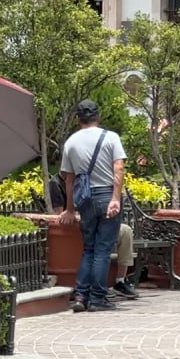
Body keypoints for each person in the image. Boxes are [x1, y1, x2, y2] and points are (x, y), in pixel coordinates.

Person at [59, 99, 127, 313]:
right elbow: (119, 169)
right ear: (98, 116)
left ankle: (80, 295)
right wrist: (115, 198)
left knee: (88, 248)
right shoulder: (111, 138)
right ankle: (98, 298)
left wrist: (70, 209)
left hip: (85, 198)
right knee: (103, 249)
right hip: (107, 194)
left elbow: (69, 180)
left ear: (78, 118)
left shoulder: (71, 142)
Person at [47, 172, 138, 302]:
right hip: (79, 224)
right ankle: (93, 290)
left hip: (95, 219)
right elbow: (59, 213)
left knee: (126, 231)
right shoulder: (56, 184)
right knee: (97, 249)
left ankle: (120, 280)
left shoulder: (85, 178)